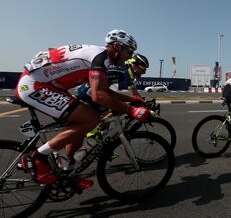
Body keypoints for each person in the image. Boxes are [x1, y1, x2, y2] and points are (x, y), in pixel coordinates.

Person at [16, 29, 152, 188]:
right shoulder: (101, 58)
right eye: (129, 51)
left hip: (51, 86)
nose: (130, 56)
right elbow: (98, 95)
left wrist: (131, 100)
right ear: (117, 47)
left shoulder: (102, 56)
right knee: (90, 119)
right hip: (34, 85)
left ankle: (67, 170)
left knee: (79, 127)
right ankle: (36, 157)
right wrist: (131, 110)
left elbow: (105, 90)